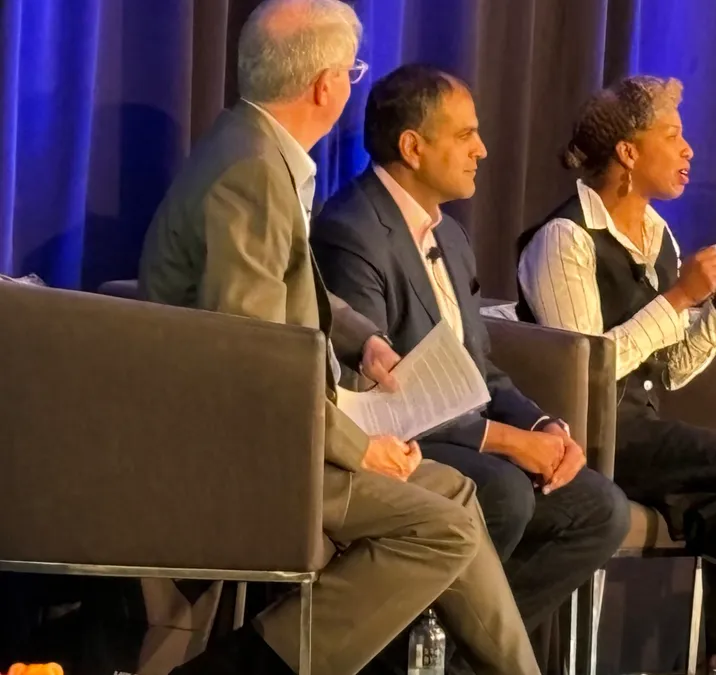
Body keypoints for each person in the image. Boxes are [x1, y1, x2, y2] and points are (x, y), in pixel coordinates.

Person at [137, 2, 539, 674]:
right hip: (241, 449)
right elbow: (255, 360)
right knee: (441, 528)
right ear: (326, 85)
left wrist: (360, 339)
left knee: (456, 494)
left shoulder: (253, 146)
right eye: (350, 71)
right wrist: (360, 447)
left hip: (278, 427)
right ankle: (250, 665)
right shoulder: (252, 171)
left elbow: (286, 281)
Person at [310, 64, 630, 668]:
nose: (482, 149)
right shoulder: (351, 230)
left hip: (464, 434)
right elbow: (378, 396)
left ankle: (453, 659)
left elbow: (479, 368)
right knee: (503, 492)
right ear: (412, 146)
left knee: (599, 509)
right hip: (396, 440)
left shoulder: (451, 237)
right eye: (465, 135)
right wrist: (507, 443)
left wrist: (541, 428)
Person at [516, 75, 716, 675]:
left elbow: (668, 371)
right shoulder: (564, 240)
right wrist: (677, 299)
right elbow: (586, 369)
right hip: (586, 435)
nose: (688, 149)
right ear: (627, 152)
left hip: (643, 427)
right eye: (671, 135)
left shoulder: (657, 236)